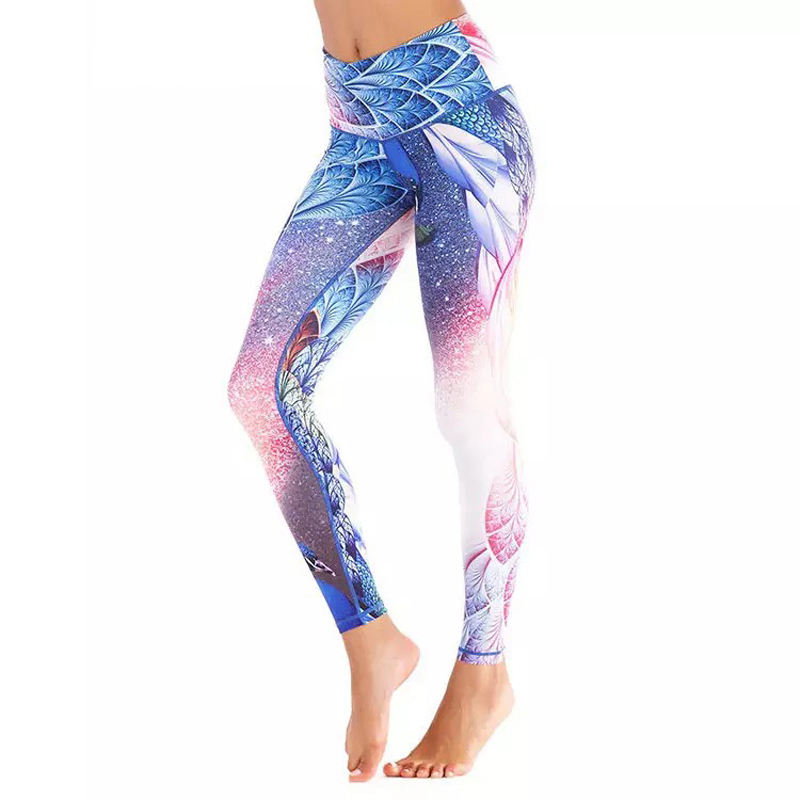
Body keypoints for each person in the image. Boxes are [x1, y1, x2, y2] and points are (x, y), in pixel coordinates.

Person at [228, 0, 535, 781]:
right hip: (358, 128)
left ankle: (484, 671)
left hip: (461, 117)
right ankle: (370, 636)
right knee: (260, 388)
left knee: (469, 408)